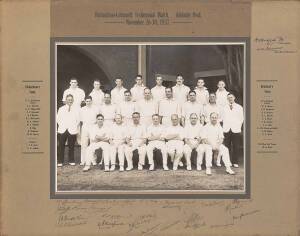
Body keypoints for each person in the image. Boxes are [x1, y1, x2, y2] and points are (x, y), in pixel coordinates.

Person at [57, 94, 80, 166]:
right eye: (68, 99)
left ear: (73, 100)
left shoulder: (76, 109)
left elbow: (78, 120)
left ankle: (71, 160)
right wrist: (63, 125)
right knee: (61, 146)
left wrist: (74, 127)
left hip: (72, 129)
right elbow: (58, 119)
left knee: (71, 146)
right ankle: (60, 161)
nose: (70, 101)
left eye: (71, 99)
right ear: (66, 100)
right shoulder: (61, 109)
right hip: (62, 129)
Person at [222, 93, 244, 168]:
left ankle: (235, 162)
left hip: (236, 129)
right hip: (226, 129)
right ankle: (227, 162)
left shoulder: (239, 107)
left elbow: (241, 119)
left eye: (231, 97)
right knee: (227, 146)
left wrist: (238, 126)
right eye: (228, 98)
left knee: (236, 146)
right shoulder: (224, 107)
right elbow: (222, 118)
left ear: (234, 98)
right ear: (227, 99)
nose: (230, 99)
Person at [79, 96, 99, 166]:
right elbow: (81, 120)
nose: (88, 102)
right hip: (85, 126)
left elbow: (97, 119)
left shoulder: (95, 109)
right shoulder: (82, 109)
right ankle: (83, 160)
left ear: (92, 101)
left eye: (89, 101)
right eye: (87, 101)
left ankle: (93, 160)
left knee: (92, 143)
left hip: (93, 126)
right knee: (84, 144)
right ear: (85, 101)